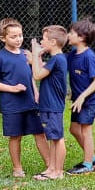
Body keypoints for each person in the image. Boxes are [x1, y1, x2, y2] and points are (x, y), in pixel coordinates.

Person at [0, 18, 48, 178]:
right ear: (3, 38)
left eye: (20, 35)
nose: (18, 39)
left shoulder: (25, 55)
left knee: (40, 133)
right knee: (15, 136)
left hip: (31, 103)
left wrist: (36, 92)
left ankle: (50, 165)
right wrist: (12, 89)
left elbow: (30, 75)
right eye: (13, 36)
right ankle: (17, 168)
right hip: (12, 105)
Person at [30, 25, 69, 180]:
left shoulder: (57, 59)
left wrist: (34, 54)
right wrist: (37, 57)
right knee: (53, 137)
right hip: (49, 104)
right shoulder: (55, 59)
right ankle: (51, 168)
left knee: (58, 138)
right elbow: (41, 70)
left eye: (44, 39)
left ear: (53, 42)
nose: (41, 42)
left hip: (53, 105)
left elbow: (37, 75)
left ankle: (58, 171)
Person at [66, 17, 95, 175]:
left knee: (86, 130)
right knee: (74, 129)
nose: (68, 35)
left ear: (81, 37)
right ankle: (93, 158)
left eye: (71, 33)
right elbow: (57, 64)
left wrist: (82, 96)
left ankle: (88, 164)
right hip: (77, 100)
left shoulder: (88, 56)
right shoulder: (72, 55)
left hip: (88, 101)